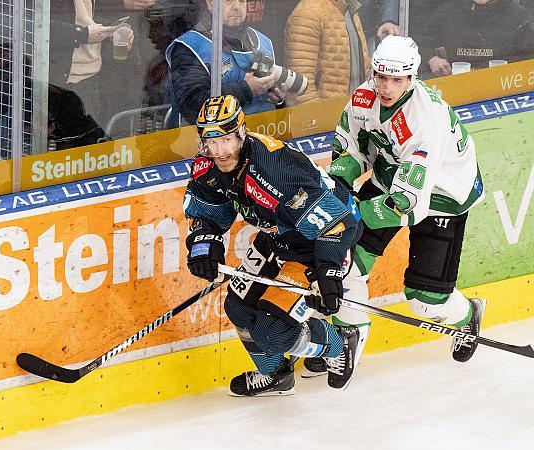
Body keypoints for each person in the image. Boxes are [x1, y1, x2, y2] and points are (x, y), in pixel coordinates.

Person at [304, 35, 486, 377]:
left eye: (397, 79)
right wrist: (341, 186)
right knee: (345, 264)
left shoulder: (423, 119)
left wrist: (352, 214)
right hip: (392, 175)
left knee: (422, 299)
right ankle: (345, 339)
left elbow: (407, 204)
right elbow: (351, 150)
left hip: (445, 194)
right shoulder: (364, 96)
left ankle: (467, 314)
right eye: (381, 77)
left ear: (412, 78)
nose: (386, 87)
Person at [183, 95, 364, 396]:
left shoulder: (275, 172)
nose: (219, 151)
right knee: (237, 307)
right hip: (277, 238)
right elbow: (208, 213)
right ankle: (275, 374)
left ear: (241, 133)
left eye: (226, 140)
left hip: (317, 242)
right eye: (210, 143)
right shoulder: (208, 165)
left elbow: (336, 223)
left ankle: (339, 342)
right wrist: (204, 245)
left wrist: (328, 272)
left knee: (272, 332)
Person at [166, 0, 306, 127]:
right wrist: (246, 89)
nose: (236, 7)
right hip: (215, 145)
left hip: (264, 138)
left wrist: (278, 100)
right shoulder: (190, 46)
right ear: (210, 4)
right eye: (228, 1)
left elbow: (279, 113)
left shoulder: (262, 41)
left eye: (241, 1)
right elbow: (191, 106)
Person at [285, 0, 371, 105]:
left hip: (352, 113)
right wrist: (320, 118)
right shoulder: (308, 13)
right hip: (328, 116)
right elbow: (301, 86)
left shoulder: (349, 8)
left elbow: (361, 70)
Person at [426, 0, 534, 76]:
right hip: (453, 85)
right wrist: (432, 59)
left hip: (502, 88)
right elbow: (420, 41)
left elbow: (528, 57)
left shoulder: (519, 15)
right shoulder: (446, 12)